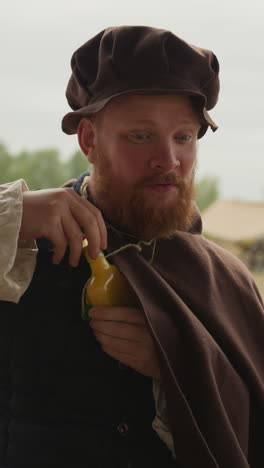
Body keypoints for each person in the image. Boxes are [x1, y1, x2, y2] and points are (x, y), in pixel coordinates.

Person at [0, 25, 263, 468]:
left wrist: (179, 368)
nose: (169, 160)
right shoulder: (19, 251)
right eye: (141, 136)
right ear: (89, 141)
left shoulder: (226, 281)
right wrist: (9, 215)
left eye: (184, 136)